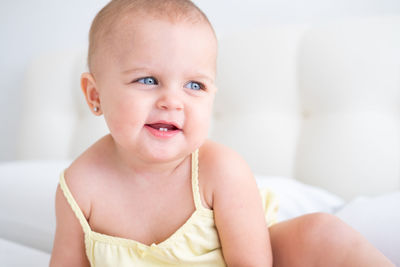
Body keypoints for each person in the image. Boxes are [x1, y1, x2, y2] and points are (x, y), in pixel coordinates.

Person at [50, 0, 394, 266]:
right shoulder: (79, 188)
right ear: (95, 95)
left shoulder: (220, 170)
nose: (172, 101)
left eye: (194, 85)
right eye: (148, 80)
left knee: (321, 233)